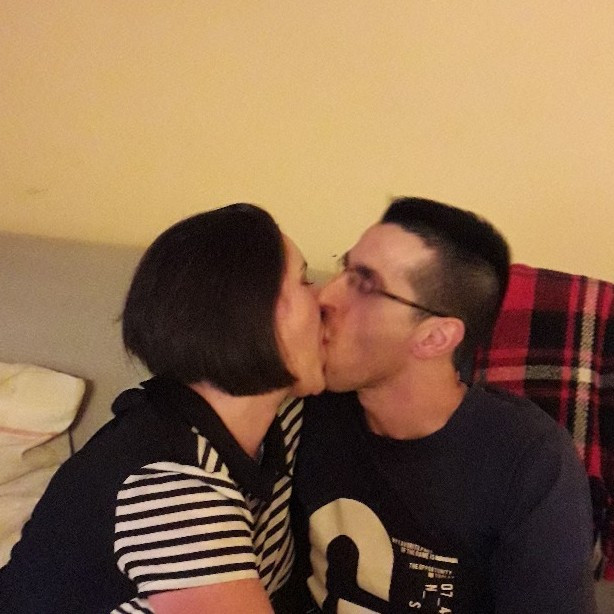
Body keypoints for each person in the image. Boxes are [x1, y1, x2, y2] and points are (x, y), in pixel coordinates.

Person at [0, 203, 325, 613]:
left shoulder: (274, 422)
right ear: (251, 317)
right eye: (305, 282)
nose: (325, 300)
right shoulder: (172, 487)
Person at [292, 197, 596, 613]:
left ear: (435, 338)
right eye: (344, 268)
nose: (325, 295)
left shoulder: (529, 460)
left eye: (364, 284)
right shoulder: (306, 408)